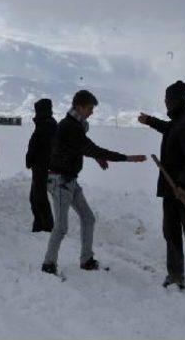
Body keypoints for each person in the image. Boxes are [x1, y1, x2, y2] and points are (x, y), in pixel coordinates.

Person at [42, 90, 146, 276]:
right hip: (59, 182)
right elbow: (89, 147)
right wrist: (127, 158)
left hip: (70, 181)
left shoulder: (76, 125)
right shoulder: (70, 127)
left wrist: (97, 157)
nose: (92, 112)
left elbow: (80, 148)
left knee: (88, 218)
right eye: (90, 108)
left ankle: (86, 260)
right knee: (61, 227)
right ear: (79, 107)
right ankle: (48, 265)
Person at [138, 80, 185, 298]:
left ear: (176, 100)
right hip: (173, 189)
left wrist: (182, 185)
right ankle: (175, 276)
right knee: (171, 233)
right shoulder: (180, 119)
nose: (165, 102)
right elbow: (168, 128)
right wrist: (149, 121)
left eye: (167, 99)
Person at [25, 98, 56, 232]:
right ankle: (40, 225)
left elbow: (42, 148)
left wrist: (33, 159)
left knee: (39, 197)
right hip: (40, 166)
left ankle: (46, 227)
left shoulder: (47, 126)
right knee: (35, 197)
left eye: (37, 110)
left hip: (42, 167)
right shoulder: (45, 124)